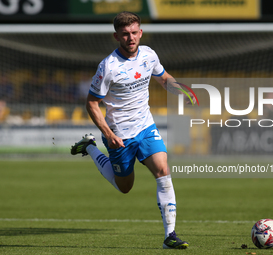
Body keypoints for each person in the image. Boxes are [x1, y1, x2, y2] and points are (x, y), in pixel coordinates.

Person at [71, 11, 194, 249]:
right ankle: (90, 147)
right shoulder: (108, 67)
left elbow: (163, 78)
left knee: (163, 171)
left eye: (134, 33)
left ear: (141, 33)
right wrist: (108, 134)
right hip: (119, 135)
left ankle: (170, 236)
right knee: (124, 187)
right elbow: (91, 103)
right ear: (116, 36)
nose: (131, 38)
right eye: (125, 34)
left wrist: (182, 90)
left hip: (146, 127)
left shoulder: (149, 54)